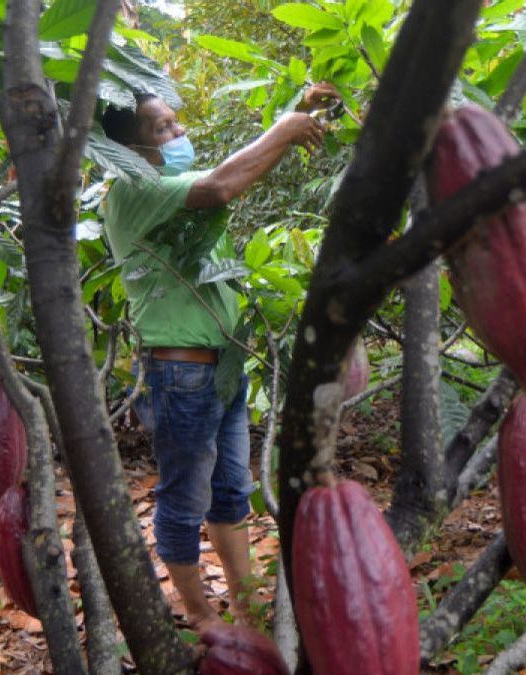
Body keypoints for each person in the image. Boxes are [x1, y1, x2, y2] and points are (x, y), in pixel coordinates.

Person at [100, 83, 337, 632]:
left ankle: (247, 605)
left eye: (175, 122)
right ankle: (201, 615)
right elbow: (220, 185)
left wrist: (294, 115)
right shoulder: (132, 192)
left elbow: (224, 182)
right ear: (129, 151)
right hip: (179, 373)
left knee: (232, 490)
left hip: (221, 369)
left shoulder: (171, 191)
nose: (180, 132)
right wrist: (284, 129)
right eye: (163, 129)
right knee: (184, 496)